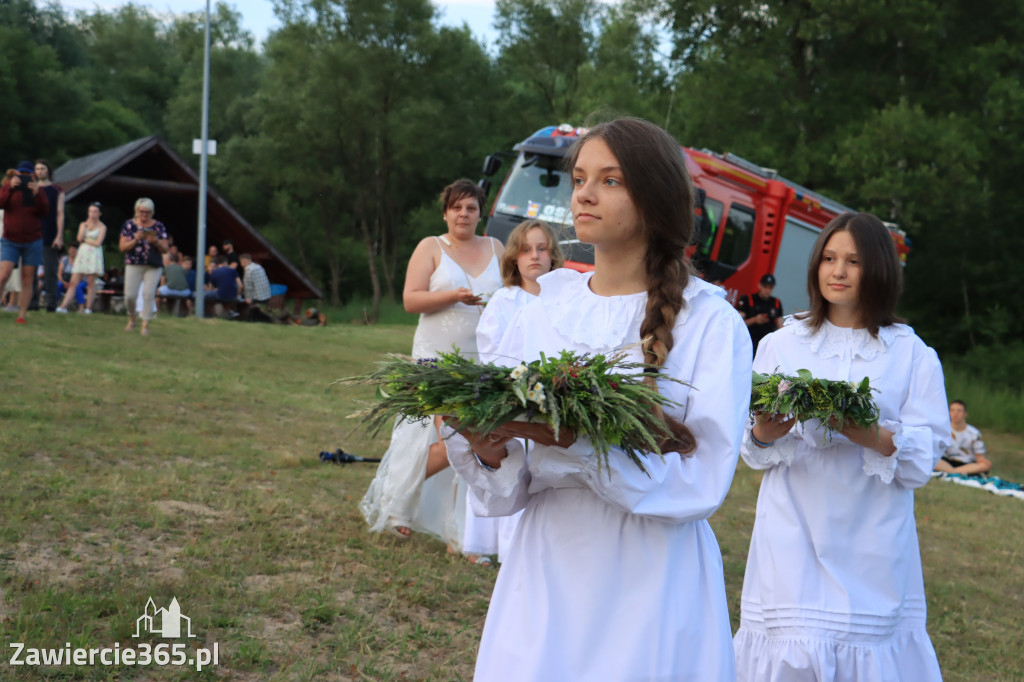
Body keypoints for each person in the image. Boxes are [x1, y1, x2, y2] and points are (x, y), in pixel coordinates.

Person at [444, 118, 751, 680]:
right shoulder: (544, 308)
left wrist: (576, 444)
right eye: (580, 177)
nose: (583, 192)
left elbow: (703, 481)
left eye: (610, 180)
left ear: (655, 198)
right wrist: (487, 444)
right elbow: (513, 482)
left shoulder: (711, 322)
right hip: (546, 565)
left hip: (648, 574)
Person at [733, 212, 949, 681]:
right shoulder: (780, 344)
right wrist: (765, 432)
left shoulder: (911, 354)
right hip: (792, 529)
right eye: (829, 258)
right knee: (791, 651)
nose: (838, 271)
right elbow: (751, 448)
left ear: (879, 269)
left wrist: (860, 430)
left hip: (873, 534)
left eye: (853, 260)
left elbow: (923, 460)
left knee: (865, 651)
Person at [360, 178, 504, 560]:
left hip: (480, 361)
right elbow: (411, 300)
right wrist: (454, 296)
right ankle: (398, 501)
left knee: (472, 441)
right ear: (445, 212)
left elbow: (510, 297)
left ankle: (460, 533)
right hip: (435, 359)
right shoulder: (430, 247)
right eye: (456, 207)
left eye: (470, 207)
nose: (463, 214)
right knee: (439, 439)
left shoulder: (496, 247)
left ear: (480, 213)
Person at [463, 218, 564, 563]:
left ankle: (535, 545)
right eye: (526, 250)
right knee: (514, 467)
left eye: (542, 249)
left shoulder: (563, 301)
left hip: (552, 397)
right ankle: (506, 548)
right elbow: (492, 350)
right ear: (514, 259)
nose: (534, 256)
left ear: (553, 256)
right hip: (514, 395)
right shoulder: (506, 301)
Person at [0, 162, 50, 324]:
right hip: (10, 239)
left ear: (32, 176)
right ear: (15, 175)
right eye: (20, 174)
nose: (23, 177)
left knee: (27, 277)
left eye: (27, 175)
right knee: (3, 274)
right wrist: (10, 188)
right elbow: (1, 203)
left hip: (32, 240)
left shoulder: (38, 191)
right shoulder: (8, 187)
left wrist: (36, 194)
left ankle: (22, 315)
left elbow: (45, 212)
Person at [119, 197, 168, 336]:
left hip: (153, 265)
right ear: (137, 211)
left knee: (148, 294)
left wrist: (156, 242)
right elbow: (122, 247)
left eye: (147, 212)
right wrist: (135, 239)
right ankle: (132, 319)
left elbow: (165, 249)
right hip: (133, 263)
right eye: (141, 212)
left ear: (152, 213)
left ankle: (145, 325)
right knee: (130, 295)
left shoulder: (158, 226)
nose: (144, 215)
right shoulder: (129, 225)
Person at [57, 202, 106, 314]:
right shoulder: (83, 224)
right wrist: (85, 237)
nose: (92, 214)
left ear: (99, 213)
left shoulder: (102, 227)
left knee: (90, 282)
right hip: (83, 253)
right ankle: (64, 306)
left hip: (94, 254)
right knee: (74, 281)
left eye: (95, 211)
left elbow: (98, 242)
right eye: (90, 211)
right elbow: (79, 238)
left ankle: (88, 308)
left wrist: (85, 240)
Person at [30, 159, 65, 312]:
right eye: (37, 169)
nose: (39, 171)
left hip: (50, 234)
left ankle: (51, 303)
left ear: (48, 170)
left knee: (51, 271)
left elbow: (60, 214)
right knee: (30, 270)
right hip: (32, 234)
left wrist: (59, 235)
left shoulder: (56, 190)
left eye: (42, 168)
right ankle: (32, 302)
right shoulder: (31, 189)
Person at [934, 399, 990, 475]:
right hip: (945, 461)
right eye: (952, 410)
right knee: (931, 459)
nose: (955, 414)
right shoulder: (943, 429)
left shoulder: (974, 433)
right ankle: (954, 471)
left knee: (985, 466)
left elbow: (980, 458)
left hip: (965, 464)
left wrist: (984, 462)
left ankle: (952, 471)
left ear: (965, 414)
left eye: (959, 411)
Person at [736, 273, 783, 353]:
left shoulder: (776, 303)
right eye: (765, 287)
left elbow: (780, 327)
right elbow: (738, 323)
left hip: (766, 345)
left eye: (770, 288)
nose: (767, 290)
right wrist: (755, 320)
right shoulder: (747, 299)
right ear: (759, 285)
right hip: (747, 342)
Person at [239, 253, 271, 319]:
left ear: (245, 262)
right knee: (257, 310)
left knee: (241, 298)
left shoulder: (248, 270)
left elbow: (248, 286)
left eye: (242, 262)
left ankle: (241, 317)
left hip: (257, 297)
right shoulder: (259, 266)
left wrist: (248, 298)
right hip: (266, 295)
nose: (241, 265)